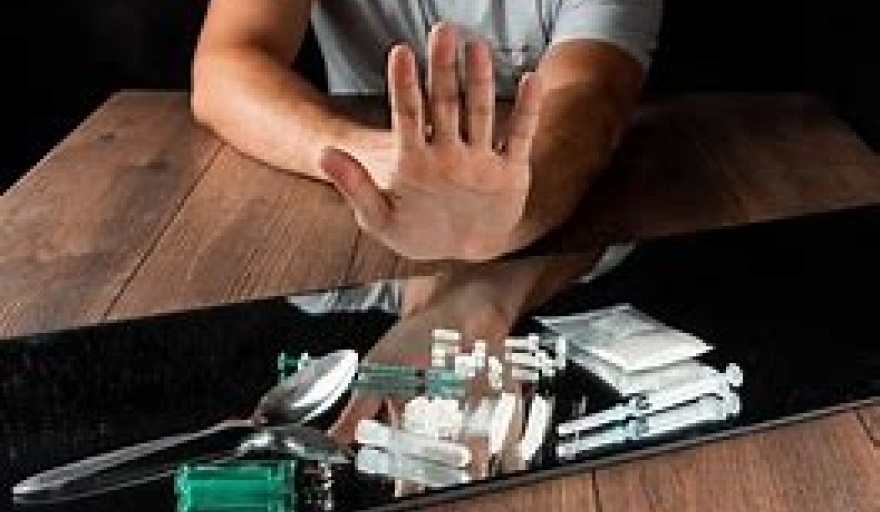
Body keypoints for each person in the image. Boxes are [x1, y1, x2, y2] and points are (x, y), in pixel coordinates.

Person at [191, 0, 662, 262]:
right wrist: (367, 158)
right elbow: (225, 65)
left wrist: (512, 213)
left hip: (548, 240)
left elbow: (589, 98)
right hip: (353, 229)